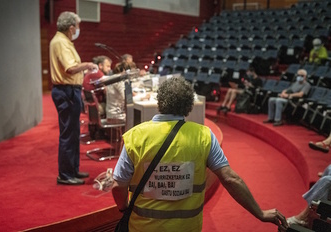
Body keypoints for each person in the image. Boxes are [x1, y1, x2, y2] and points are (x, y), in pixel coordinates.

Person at [111, 77, 288, 232]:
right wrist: (260, 213)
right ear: (189, 106)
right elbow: (230, 179)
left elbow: (118, 186)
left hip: (143, 228)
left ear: (160, 102)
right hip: (187, 228)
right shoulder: (204, 135)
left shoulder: (135, 136)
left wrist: (123, 208)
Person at [50, 11, 98, 185]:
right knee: (68, 134)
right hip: (67, 91)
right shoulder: (61, 42)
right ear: (71, 28)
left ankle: (72, 170)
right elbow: (70, 68)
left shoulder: (64, 41)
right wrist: (87, 65)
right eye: (77, 26)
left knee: (73, 133)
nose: (78, 29)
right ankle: (65, 174)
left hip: (70, 90)